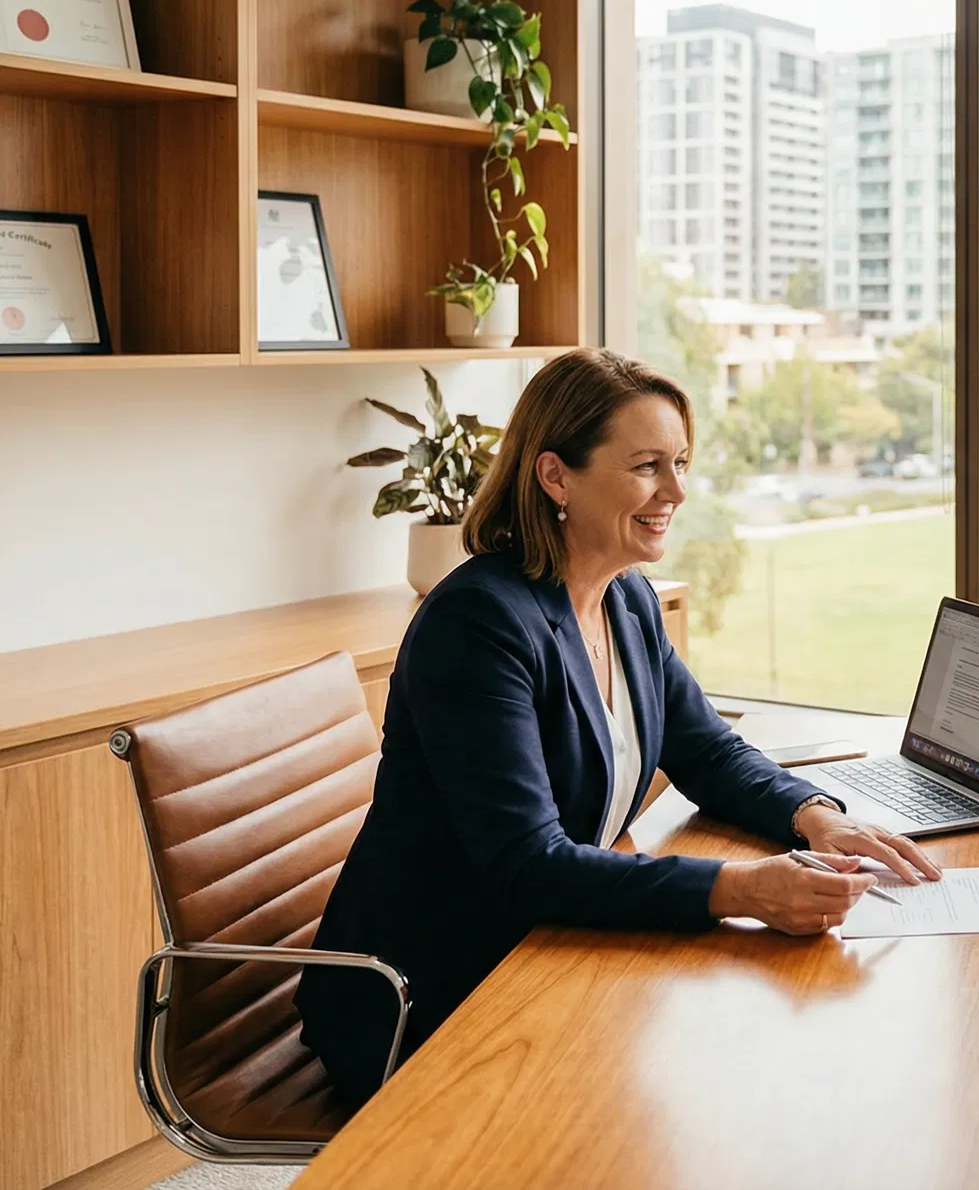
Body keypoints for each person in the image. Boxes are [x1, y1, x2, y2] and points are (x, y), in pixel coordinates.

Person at [298, 349, 939, 1108]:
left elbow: (706, 749)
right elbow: (528, 866)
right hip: (431, 996)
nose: (676, 491)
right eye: (646, 467)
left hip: (543, 950)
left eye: (680, 463)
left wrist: (815, 817)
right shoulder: (477, 625)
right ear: (556, 476)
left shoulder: (625, 598)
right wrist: (742, 890)